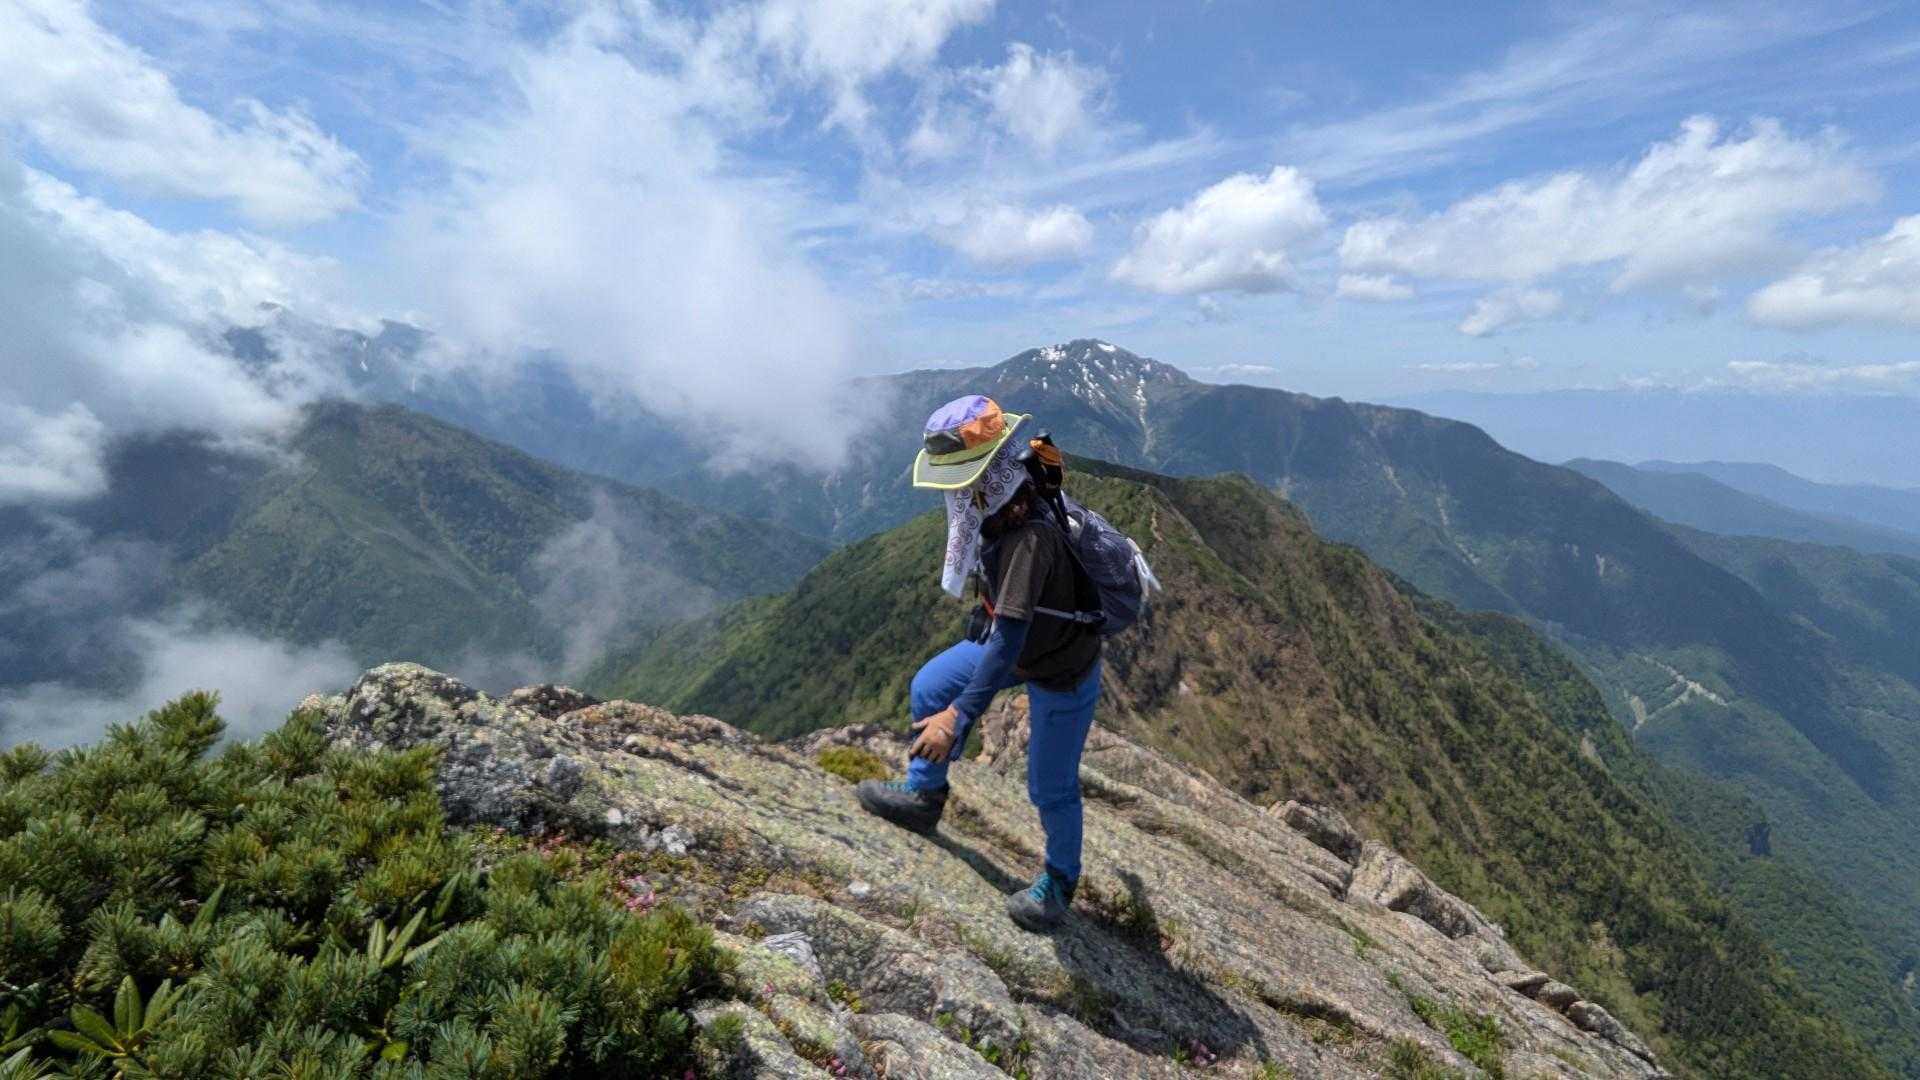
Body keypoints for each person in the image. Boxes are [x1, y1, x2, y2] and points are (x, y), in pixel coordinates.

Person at [855, 395, 1103, 932]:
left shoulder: (1027, 539)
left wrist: (958, 718)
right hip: (1018, 646)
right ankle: (925, 794)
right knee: (929, 686)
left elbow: (1009, 641)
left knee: (1051, 785)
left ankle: (1060, 882)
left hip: (1061, 666)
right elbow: (1006, 637)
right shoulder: (1007, 499)